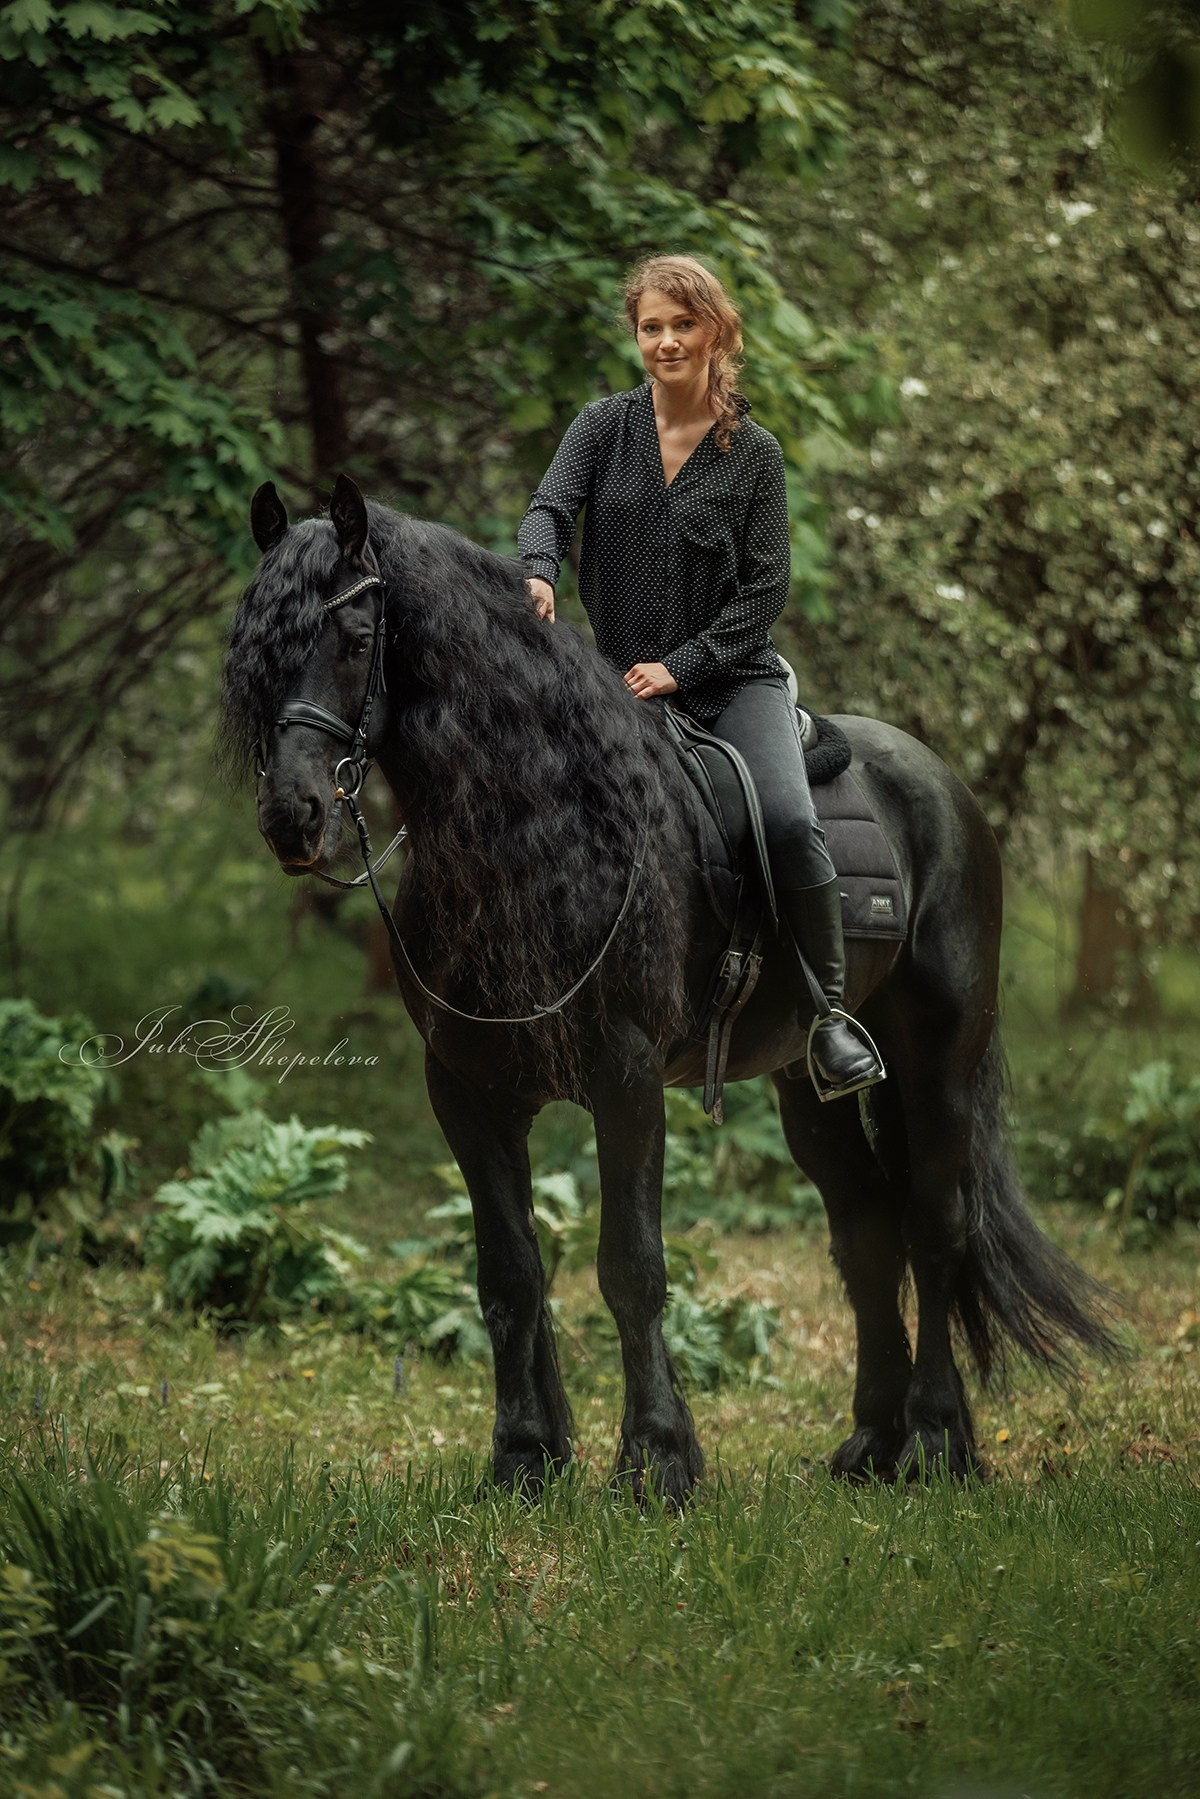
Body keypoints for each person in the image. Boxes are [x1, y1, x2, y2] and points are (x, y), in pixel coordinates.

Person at [518, 253, 883, 1097]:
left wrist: (679, 668)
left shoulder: (753, 453)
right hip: (616, 680)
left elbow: (765, 591)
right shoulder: (601, 427)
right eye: (652, 326)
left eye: (683, 324)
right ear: (636, 334)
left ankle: (829, 1016)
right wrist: (538, 565)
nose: (667, 341)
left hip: (731, 680)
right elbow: (549, 507)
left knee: (789, 824)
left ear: (716, 332)